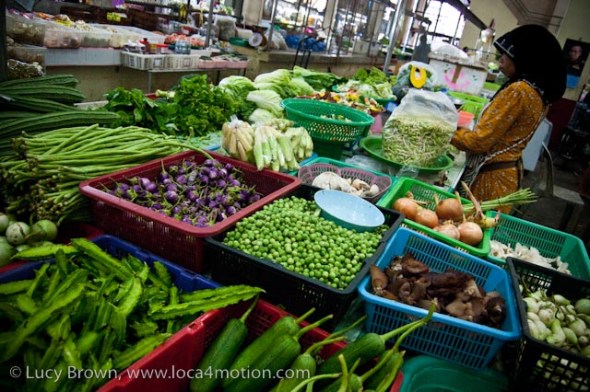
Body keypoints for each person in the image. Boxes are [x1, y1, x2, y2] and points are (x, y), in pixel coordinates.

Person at [451, 24, 567, 212]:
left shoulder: (519, 91)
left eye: (508, 55)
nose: (501, 60)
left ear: (526, 58)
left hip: (489, 179)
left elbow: (478, 142)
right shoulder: (538, 94)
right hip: (506, 176)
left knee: (469, 229)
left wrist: (446, 130)